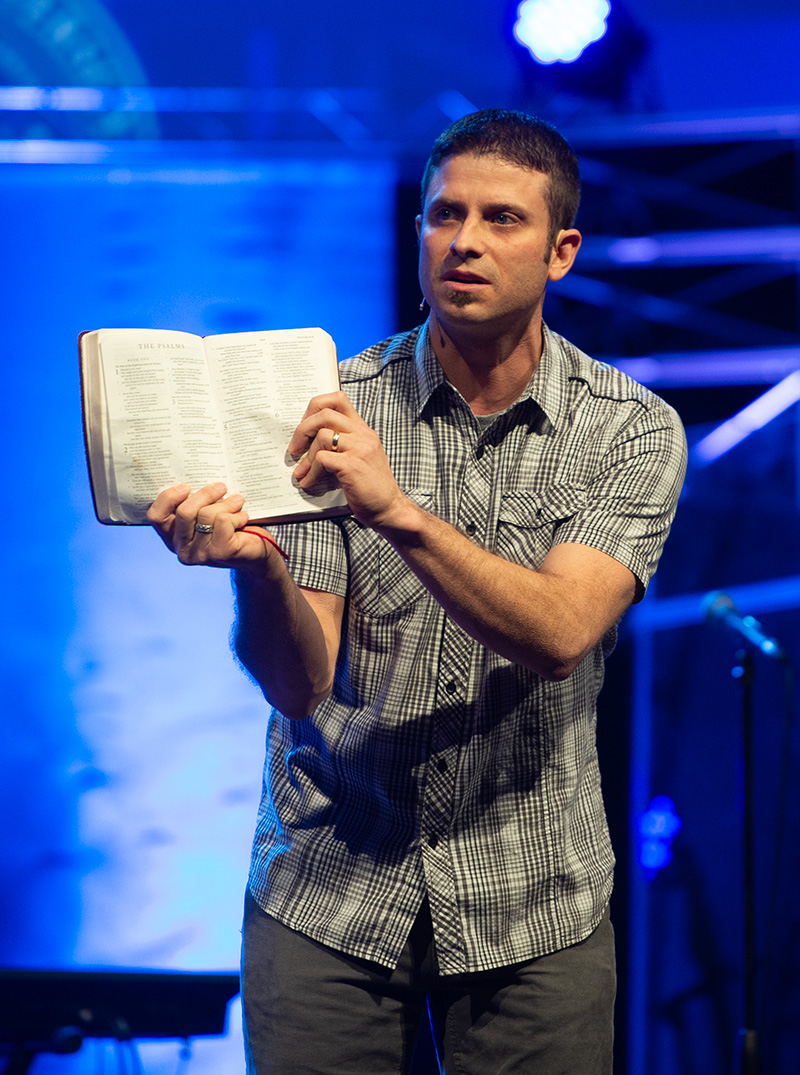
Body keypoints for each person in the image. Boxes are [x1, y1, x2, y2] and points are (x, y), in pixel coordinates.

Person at [148, 108, 687, 1074]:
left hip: (534, 902)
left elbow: (561, 631)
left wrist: (395, 509)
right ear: (419, 234)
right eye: (446, 215)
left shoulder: (631, 431)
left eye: (501, 220)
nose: (466, 241)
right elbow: (298, 682)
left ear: (561, 251)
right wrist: (259, 566)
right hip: (331, 888)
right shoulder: (331, 410)